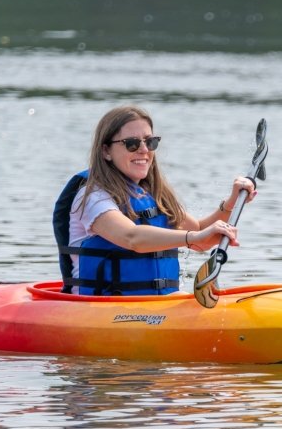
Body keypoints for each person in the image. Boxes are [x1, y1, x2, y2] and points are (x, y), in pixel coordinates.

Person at [53, 105, 256, 295]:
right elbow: (132, 237)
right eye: (131, 143)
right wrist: (194, 237)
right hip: (101, 310)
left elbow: (200, 238)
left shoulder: (150, 194)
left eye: (150, 142)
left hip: (152, 309)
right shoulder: (93, 197)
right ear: (106, 151)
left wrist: (230, 203)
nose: (144, 150)